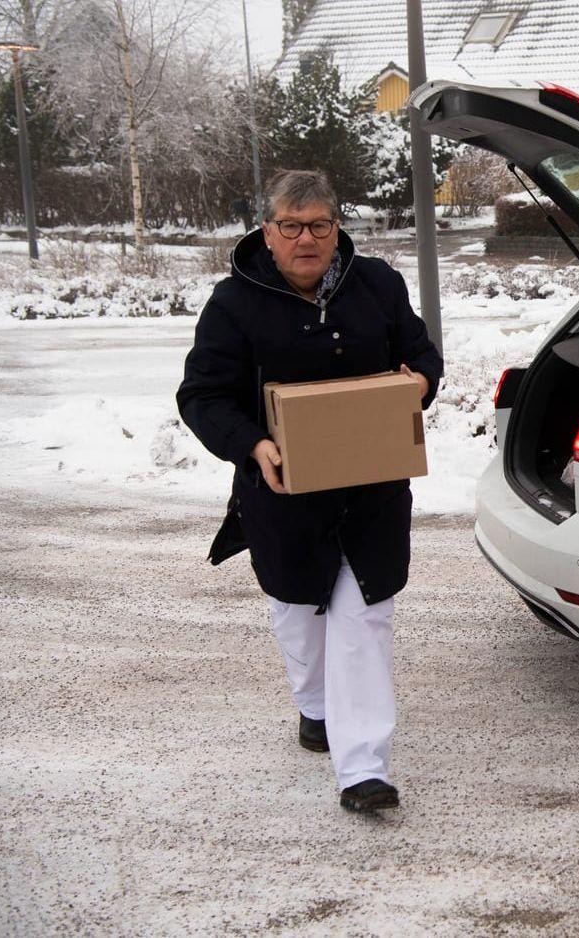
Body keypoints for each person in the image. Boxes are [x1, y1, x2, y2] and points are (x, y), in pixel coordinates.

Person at [176, 170, 442, 813]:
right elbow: (202, 395)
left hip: (374, 490)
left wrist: (419, 384)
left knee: (365, 618)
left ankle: (363, 769)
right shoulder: (233, 303)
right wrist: (252, 444)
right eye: (291, 226)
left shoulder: (377, 284)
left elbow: (424, 358)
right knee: (299, 612)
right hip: (284, 493)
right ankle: (315, 706)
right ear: (266, 233)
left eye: (320, 224)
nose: (307, 239)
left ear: (336, 228)